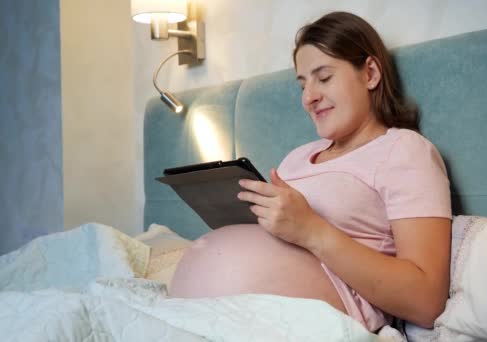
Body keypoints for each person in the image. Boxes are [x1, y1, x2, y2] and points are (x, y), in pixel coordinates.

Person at [170, 11, 452, 332]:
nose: (309, 97)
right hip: (196, 317)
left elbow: (428, 301)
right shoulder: (298, 158)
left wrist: (310, 229)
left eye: (324, 77)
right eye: (303, 84)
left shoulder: (404, 149)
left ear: (370, 73)